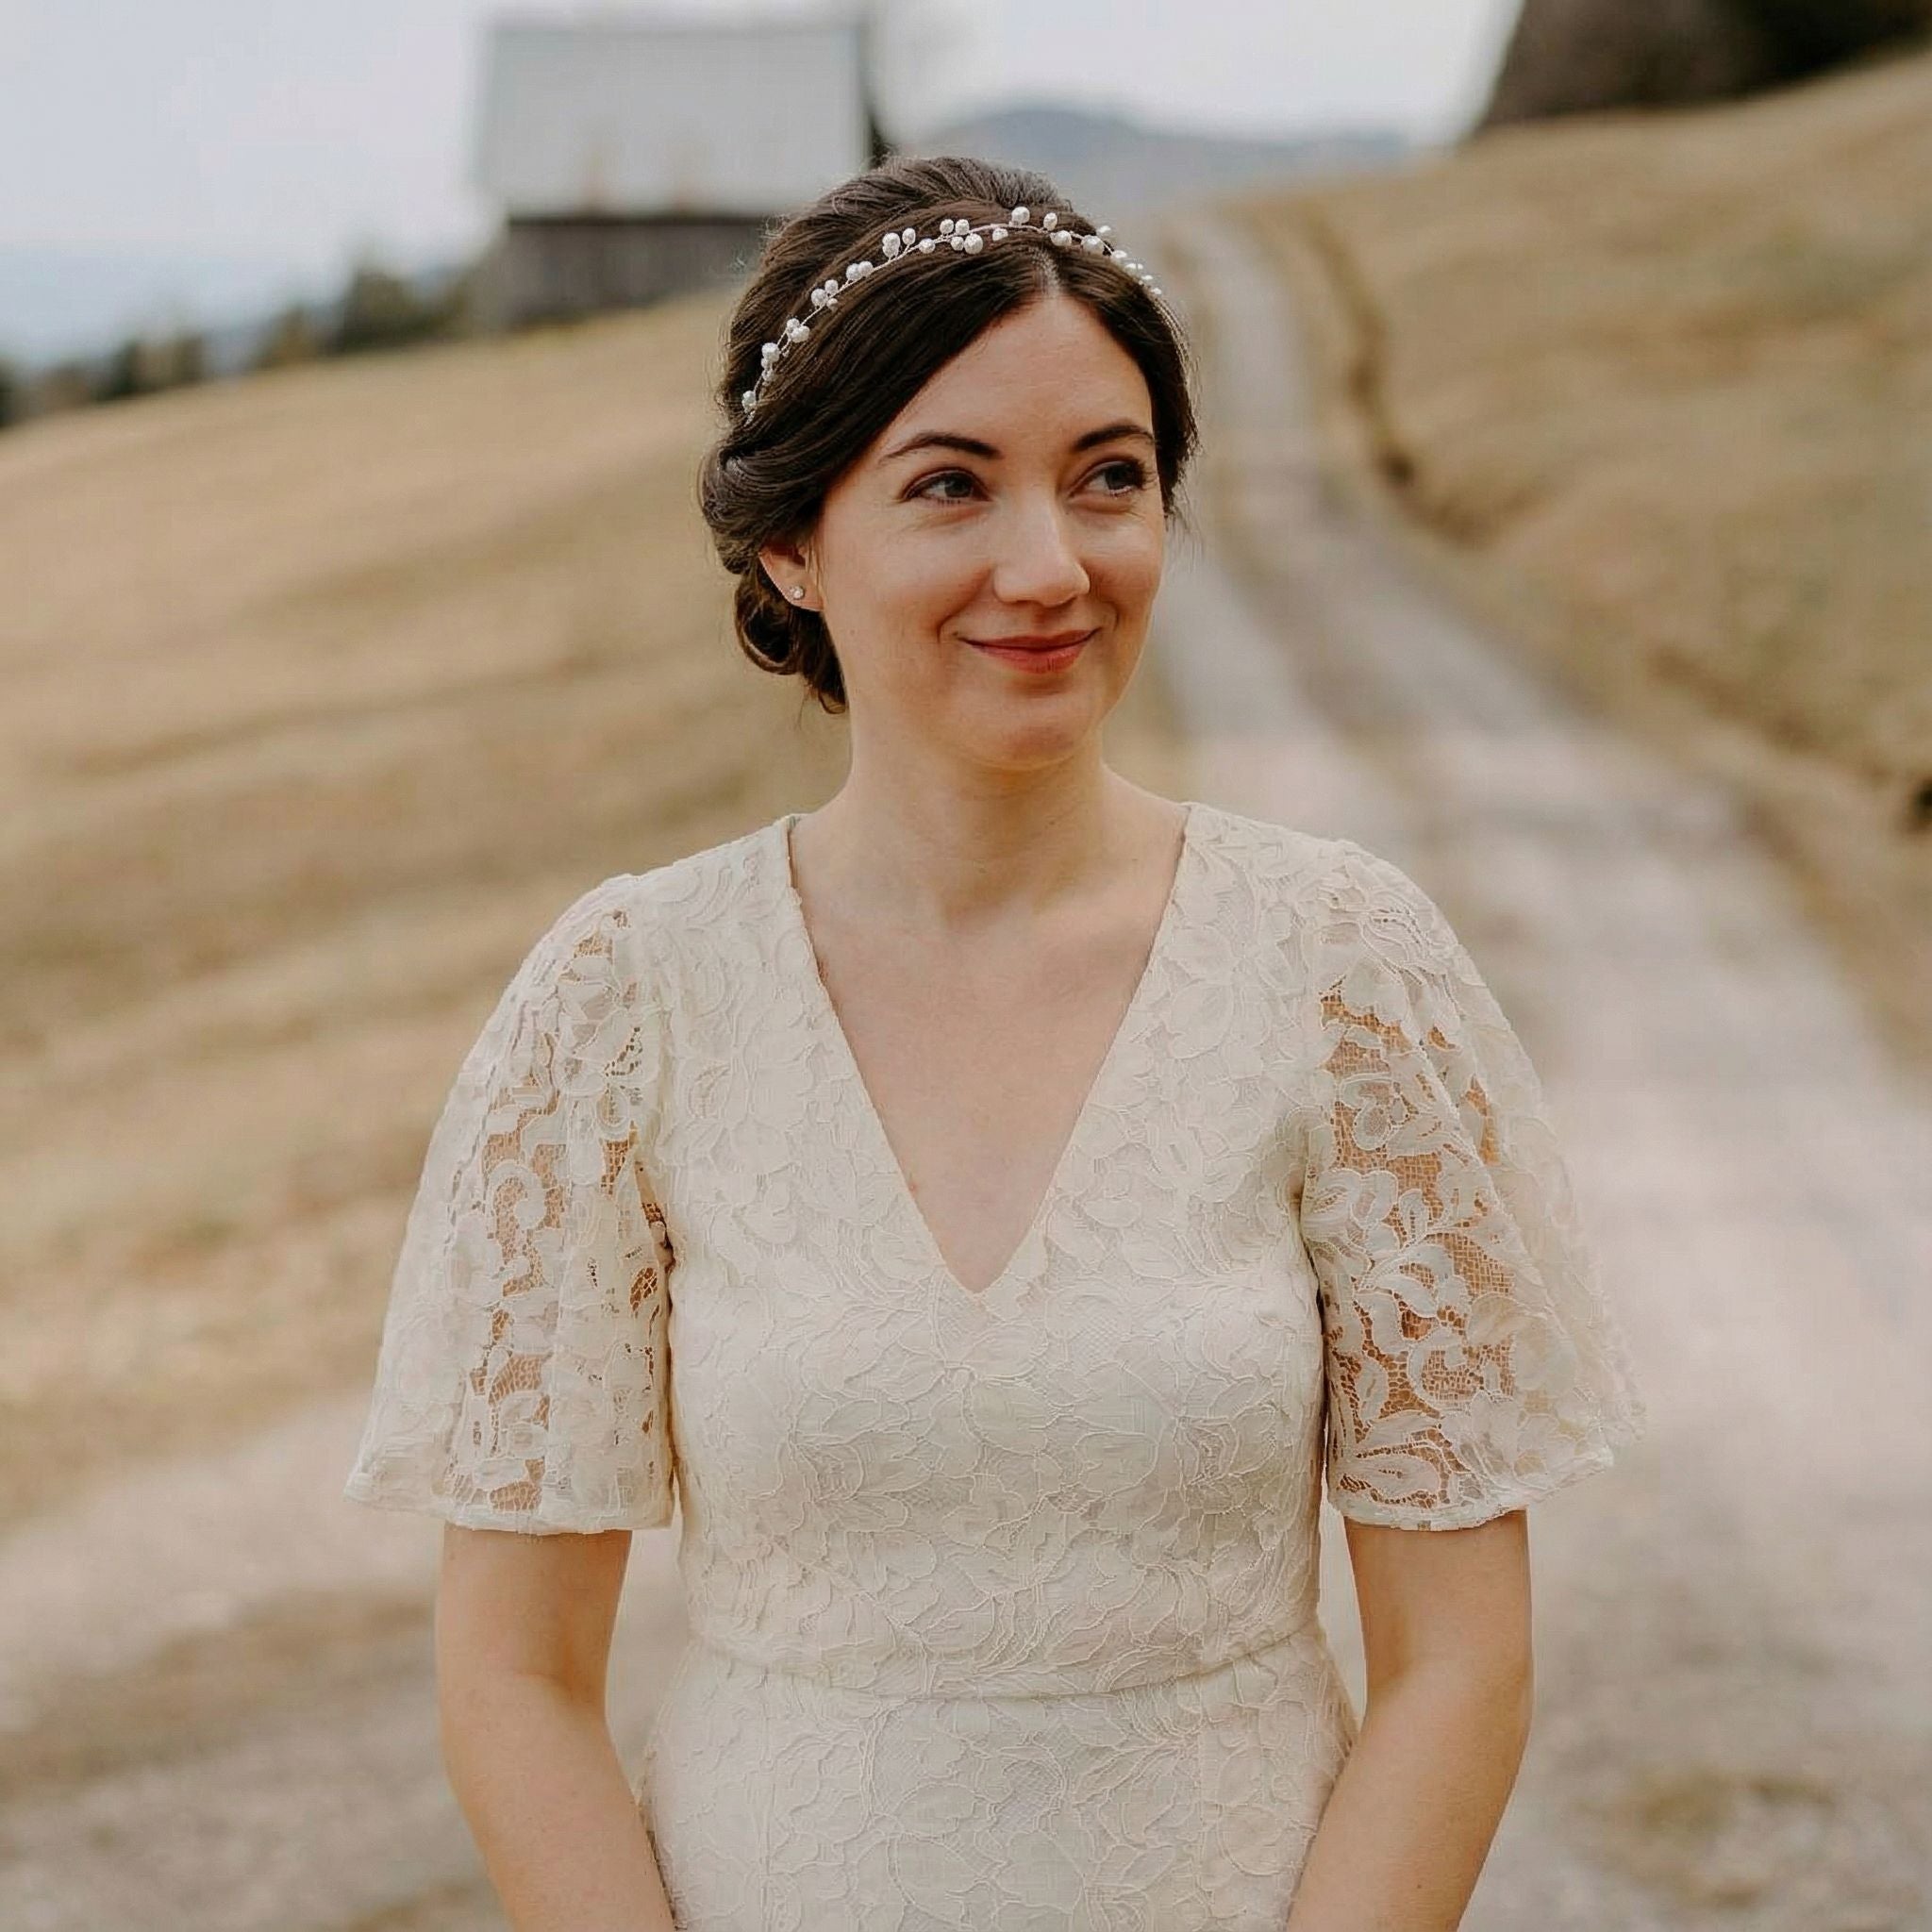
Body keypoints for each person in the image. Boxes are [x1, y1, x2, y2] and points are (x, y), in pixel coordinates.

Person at [343, 152, 1647, 1930]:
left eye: (1108, 478)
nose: (1050, 566)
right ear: (792, 543)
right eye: (950, 485)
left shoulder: (1342, 971)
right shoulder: (624, 1002)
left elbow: (1458, 1663)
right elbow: (512, 1681)